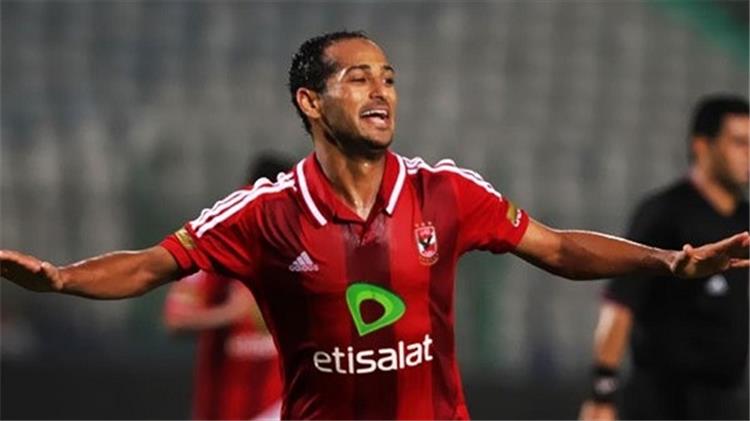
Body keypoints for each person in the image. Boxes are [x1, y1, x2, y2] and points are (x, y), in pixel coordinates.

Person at [1, 31, 748, 420]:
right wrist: (61, 279)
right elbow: (149, 265)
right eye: (357, 78)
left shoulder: (445, 192)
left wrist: (665, 262)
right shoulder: (264, 214)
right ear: (310, 102)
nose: (381, 90)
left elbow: (555, 247)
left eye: (388, 77)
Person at [579, 95, 749, 420]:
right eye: (739, 142)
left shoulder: (744, 220)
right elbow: (620, 305)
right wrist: (602, 393)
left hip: (725, 401)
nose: (748, 154)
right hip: (662, 399)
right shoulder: (664, 213)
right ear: (702, 146)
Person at [163, 154, 290, 420]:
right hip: (221, 406)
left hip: (278, 405)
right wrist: (231, 312)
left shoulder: (299, 255)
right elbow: (175, 320)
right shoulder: (211, 251)